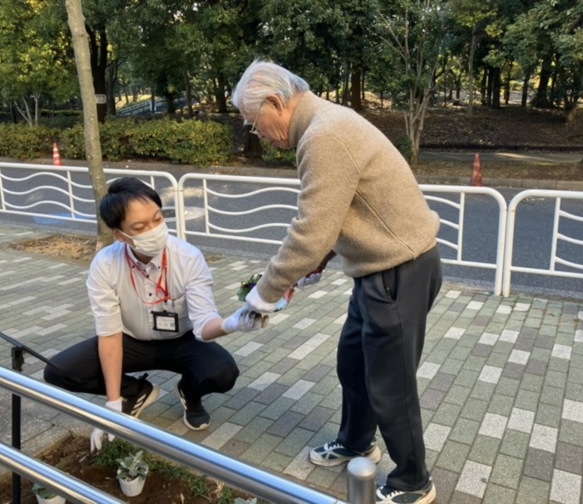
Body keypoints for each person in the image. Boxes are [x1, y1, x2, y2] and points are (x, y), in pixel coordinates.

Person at [231, 60, 442, 504]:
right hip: (380, 270)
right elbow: (338, 216)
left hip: (398, 272)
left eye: (253, 122)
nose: (257, 133)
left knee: (391, 385)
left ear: (275, 102)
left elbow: (310, 231)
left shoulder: (323, 135)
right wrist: (314, 265)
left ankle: (413, 482)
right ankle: (356, 442)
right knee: (353, 363)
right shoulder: (325, 124)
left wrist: (264, 294)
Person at [44, 177, 266, 451]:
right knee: (59, 371)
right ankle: (136, 391)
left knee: (223, 373)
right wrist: (112, 402)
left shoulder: (188, 257)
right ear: (120, 235)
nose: (154, 230)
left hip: (183, 340)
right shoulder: (105, 264)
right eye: (139, 227)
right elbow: (109, 333)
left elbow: (203, 323)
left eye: (157, 219)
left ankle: (190, 393)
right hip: (130, 341)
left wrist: (231, 323)